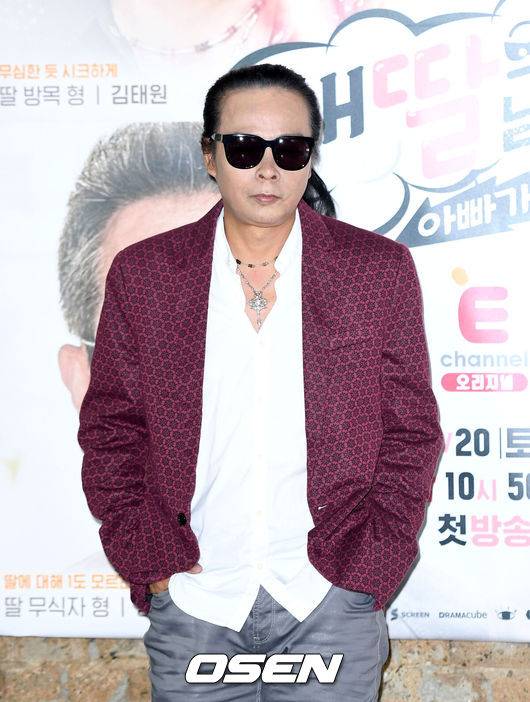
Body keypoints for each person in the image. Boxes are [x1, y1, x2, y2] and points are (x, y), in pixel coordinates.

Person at [77, 62, 444, 700]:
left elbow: (411, 431)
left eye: (290, 148)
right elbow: (111, 429)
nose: (268, 168)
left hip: (328, 597)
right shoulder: (147, 273)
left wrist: (369, 568)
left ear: (310, 158)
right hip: (196, 597)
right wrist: (150, 558)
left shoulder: (375, 270)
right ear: (210, 155)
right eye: (245, 148)